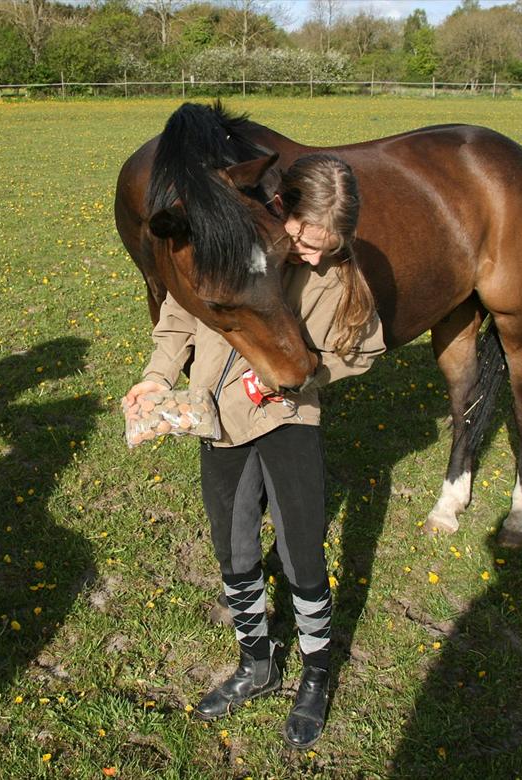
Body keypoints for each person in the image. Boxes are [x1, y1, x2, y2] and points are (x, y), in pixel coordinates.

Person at [123, 153, 384, 749]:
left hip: (290, 422)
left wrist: (300, 379)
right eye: (306, 241)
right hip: (218, 424)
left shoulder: (337, 277)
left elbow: (360, 351)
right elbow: (178, 313)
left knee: (301, 554)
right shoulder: (234, 249)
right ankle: (256, 661)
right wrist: (160, 376)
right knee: (235, 550)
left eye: (328, 246)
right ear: (281, 213)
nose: (314, 255)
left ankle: (316, 671)